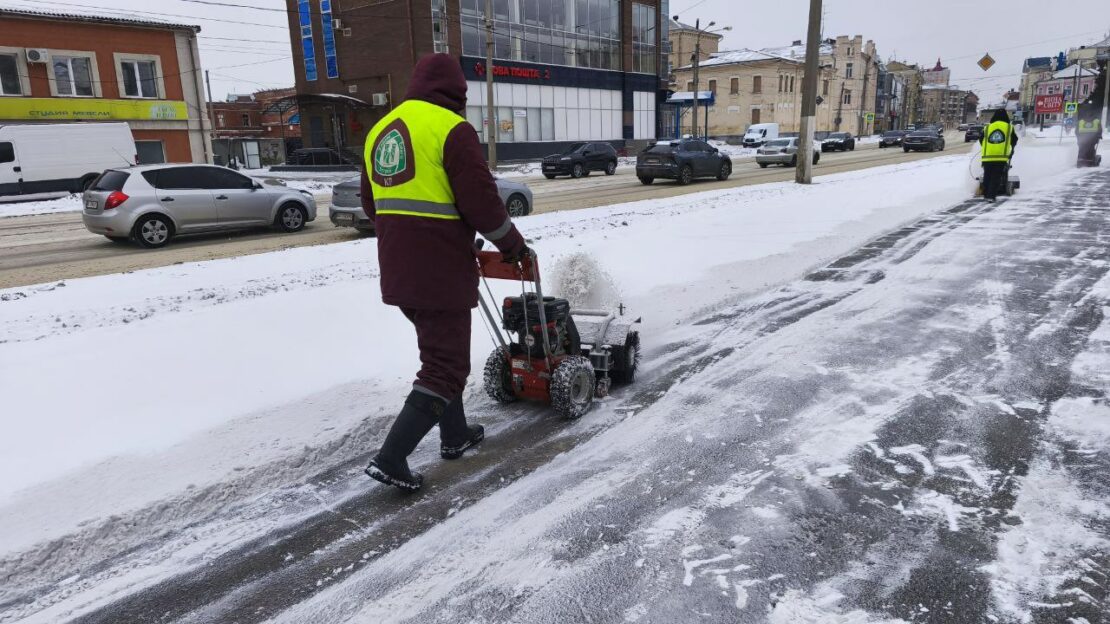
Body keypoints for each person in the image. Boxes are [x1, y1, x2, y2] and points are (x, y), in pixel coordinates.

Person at [359, 53, 528, 491]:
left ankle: (455, 435)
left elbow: (370, 205)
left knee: (439, 357)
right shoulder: (452, 129)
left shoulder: (381, 130)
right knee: (445, 368)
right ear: (457, 92)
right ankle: (391, 458)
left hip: (399, 270)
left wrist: (425, 239)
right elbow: (482, 203)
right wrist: (514, 246)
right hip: (438, 275)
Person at [979, 109, 1018, 201]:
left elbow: (981, 139)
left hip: (987, 156)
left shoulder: (988, 127)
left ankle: (985, 194)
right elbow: (1014, 140)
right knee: (996, 176)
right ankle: (991, 196)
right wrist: (1011, 149)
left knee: (987, 175)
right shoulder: (1009, 127)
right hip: (1001, 157)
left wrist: (988, 147)